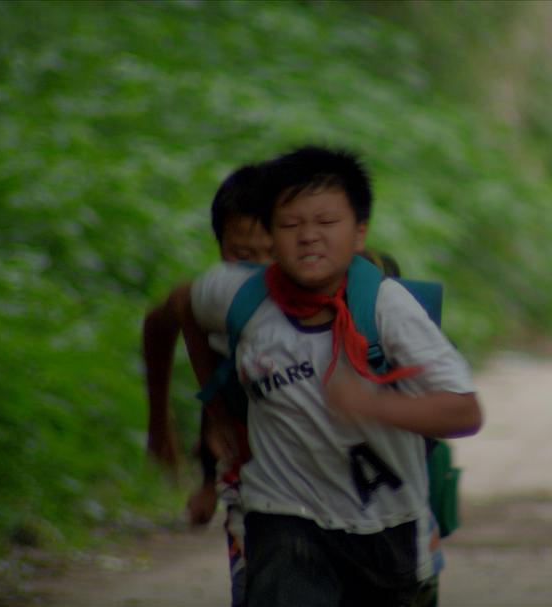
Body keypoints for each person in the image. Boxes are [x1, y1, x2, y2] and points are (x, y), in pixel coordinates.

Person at [175, 145, 482, 606]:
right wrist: (216, 409)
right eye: (290, 225)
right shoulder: (239, 295)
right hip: (283, 514)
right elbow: (180, 307)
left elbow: (464, 411)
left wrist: (372, 405)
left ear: (359, 233)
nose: (308, 237)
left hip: (388, 526)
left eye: (326, 222)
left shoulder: (388, 309)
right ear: (271, 235)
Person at [142, 162, 274, 607]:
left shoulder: (316, 289)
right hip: (246, 468)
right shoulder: (217, 294)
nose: (257, 268)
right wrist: (159, 424)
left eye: (270, 253)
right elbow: (165, 315)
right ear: (220, 247)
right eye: (242, 254)